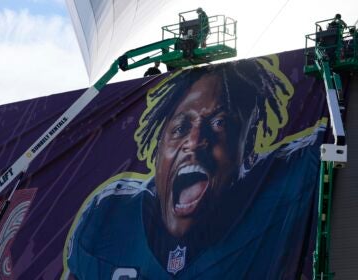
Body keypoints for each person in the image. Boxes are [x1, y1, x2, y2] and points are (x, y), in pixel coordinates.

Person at [65, 59, 298, 279]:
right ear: (158, 148)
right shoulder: (108, 213)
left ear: (247, 145)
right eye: (180, 127)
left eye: (220, 123)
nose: (194, 141)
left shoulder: (282, 188)